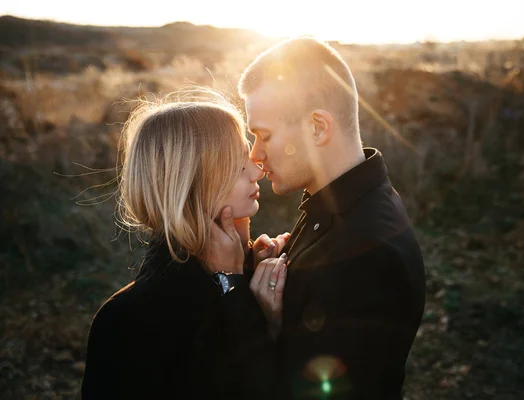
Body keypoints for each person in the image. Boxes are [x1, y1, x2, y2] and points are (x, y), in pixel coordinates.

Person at [205, 37, 427, 399]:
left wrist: (236, 292)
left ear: (318, 128)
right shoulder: (343, 204)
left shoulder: (366, 255)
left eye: (265, 136)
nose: (256, 156)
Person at [80, 92, 289, 399]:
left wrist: (245, 274)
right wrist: (233, 288)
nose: (257, 170)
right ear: (190, 180)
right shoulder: (128, 322)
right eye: (236, 163)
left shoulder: (254, 275)